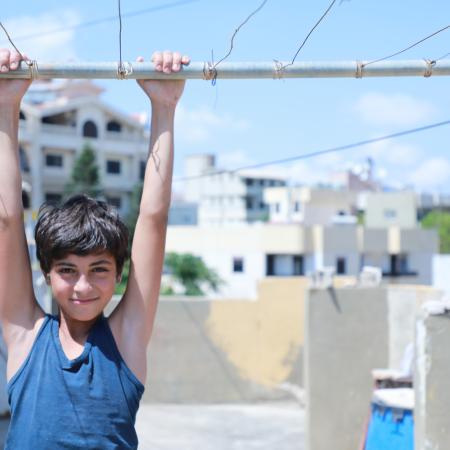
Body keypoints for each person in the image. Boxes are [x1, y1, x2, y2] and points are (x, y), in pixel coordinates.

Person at [0, 48, 189, 449]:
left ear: (119, 274)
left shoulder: (125, 338)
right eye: (67, 270)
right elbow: (7, 220)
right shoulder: (24, 336)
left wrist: (164, 107)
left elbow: (153, 218)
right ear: (46, 273)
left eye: (99, 269)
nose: (83, 285)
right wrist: (6, 105)